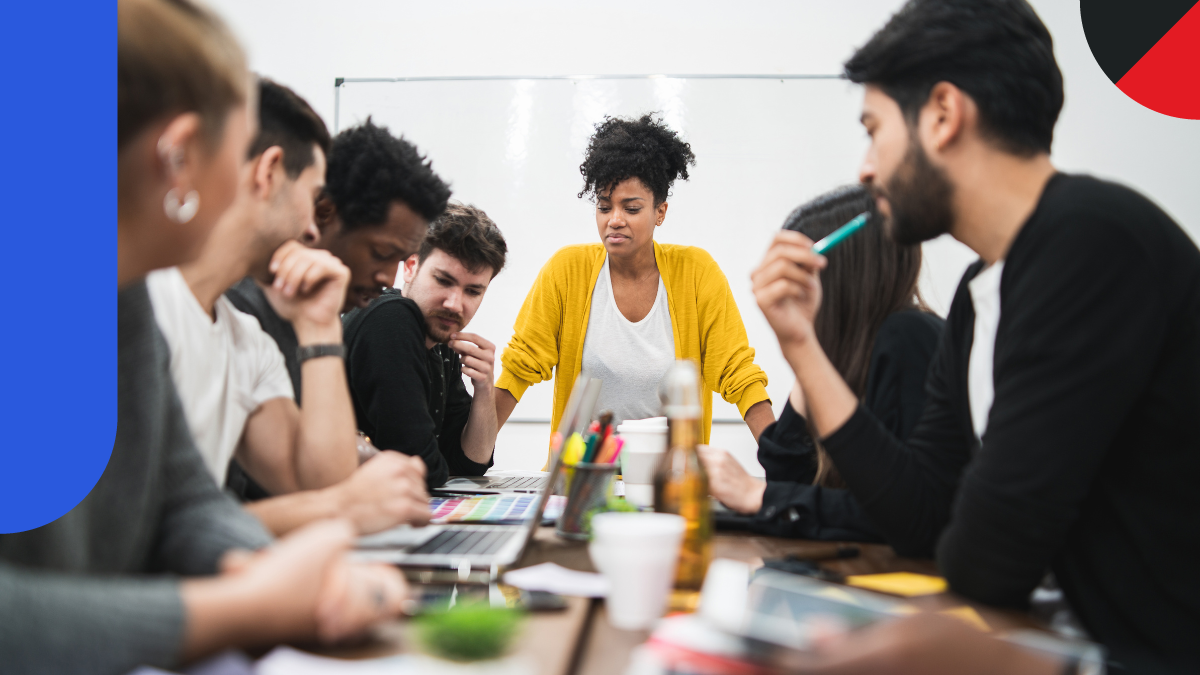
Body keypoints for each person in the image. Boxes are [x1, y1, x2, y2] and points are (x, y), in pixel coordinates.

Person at [751, 0, 1200, 671]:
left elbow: (985, 558)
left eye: (874, 130)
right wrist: (801, 347)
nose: (867, 169)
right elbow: (924, 515)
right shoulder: (978, 295)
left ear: (942, 114)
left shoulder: (1091, 242)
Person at [0, 2, 406, 673]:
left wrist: (289, 578)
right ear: (179, 153)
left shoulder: (121, 294)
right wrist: (249, 604)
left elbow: (183, 498)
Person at [149, 78, 430, 536]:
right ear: (270, 172)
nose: (313, 229)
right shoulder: (138, 305)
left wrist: (320, 327)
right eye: (313, 195)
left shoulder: (244, 339)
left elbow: (317, 483)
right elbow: (139, 538)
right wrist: (339, 509)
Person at [496, 114, 774, 459]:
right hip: (582, 481)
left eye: (631, 208)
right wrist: (466, 456)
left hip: (671, 482)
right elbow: (521, 365)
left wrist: (781, 455)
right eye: (603, 206)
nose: (614, 219)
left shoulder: (697, 272)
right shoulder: (566, 271)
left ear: (660, 211)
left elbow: (737, 371)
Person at [699, 185, 943, 542]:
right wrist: (809, 352)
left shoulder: (908, 336)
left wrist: (757, 494)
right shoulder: (842, 355)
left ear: (838, 272)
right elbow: (787, 475)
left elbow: (905, 510)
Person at [224, 117, 451, 500]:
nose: (387, 277)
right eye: (380, 253)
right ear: (323, 213)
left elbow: (320, 475)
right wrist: (343, 509)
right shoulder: (242, 313)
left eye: (401, 259)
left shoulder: (308, 315)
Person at [343, 204, 508, 489]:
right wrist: (436, 464)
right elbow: (422, 470)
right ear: (410, 267)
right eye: (443, 281)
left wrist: (484, 387)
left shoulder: (442, 342)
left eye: (473, 291)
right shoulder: (392, 318)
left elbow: (471, 463)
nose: (454, 304)